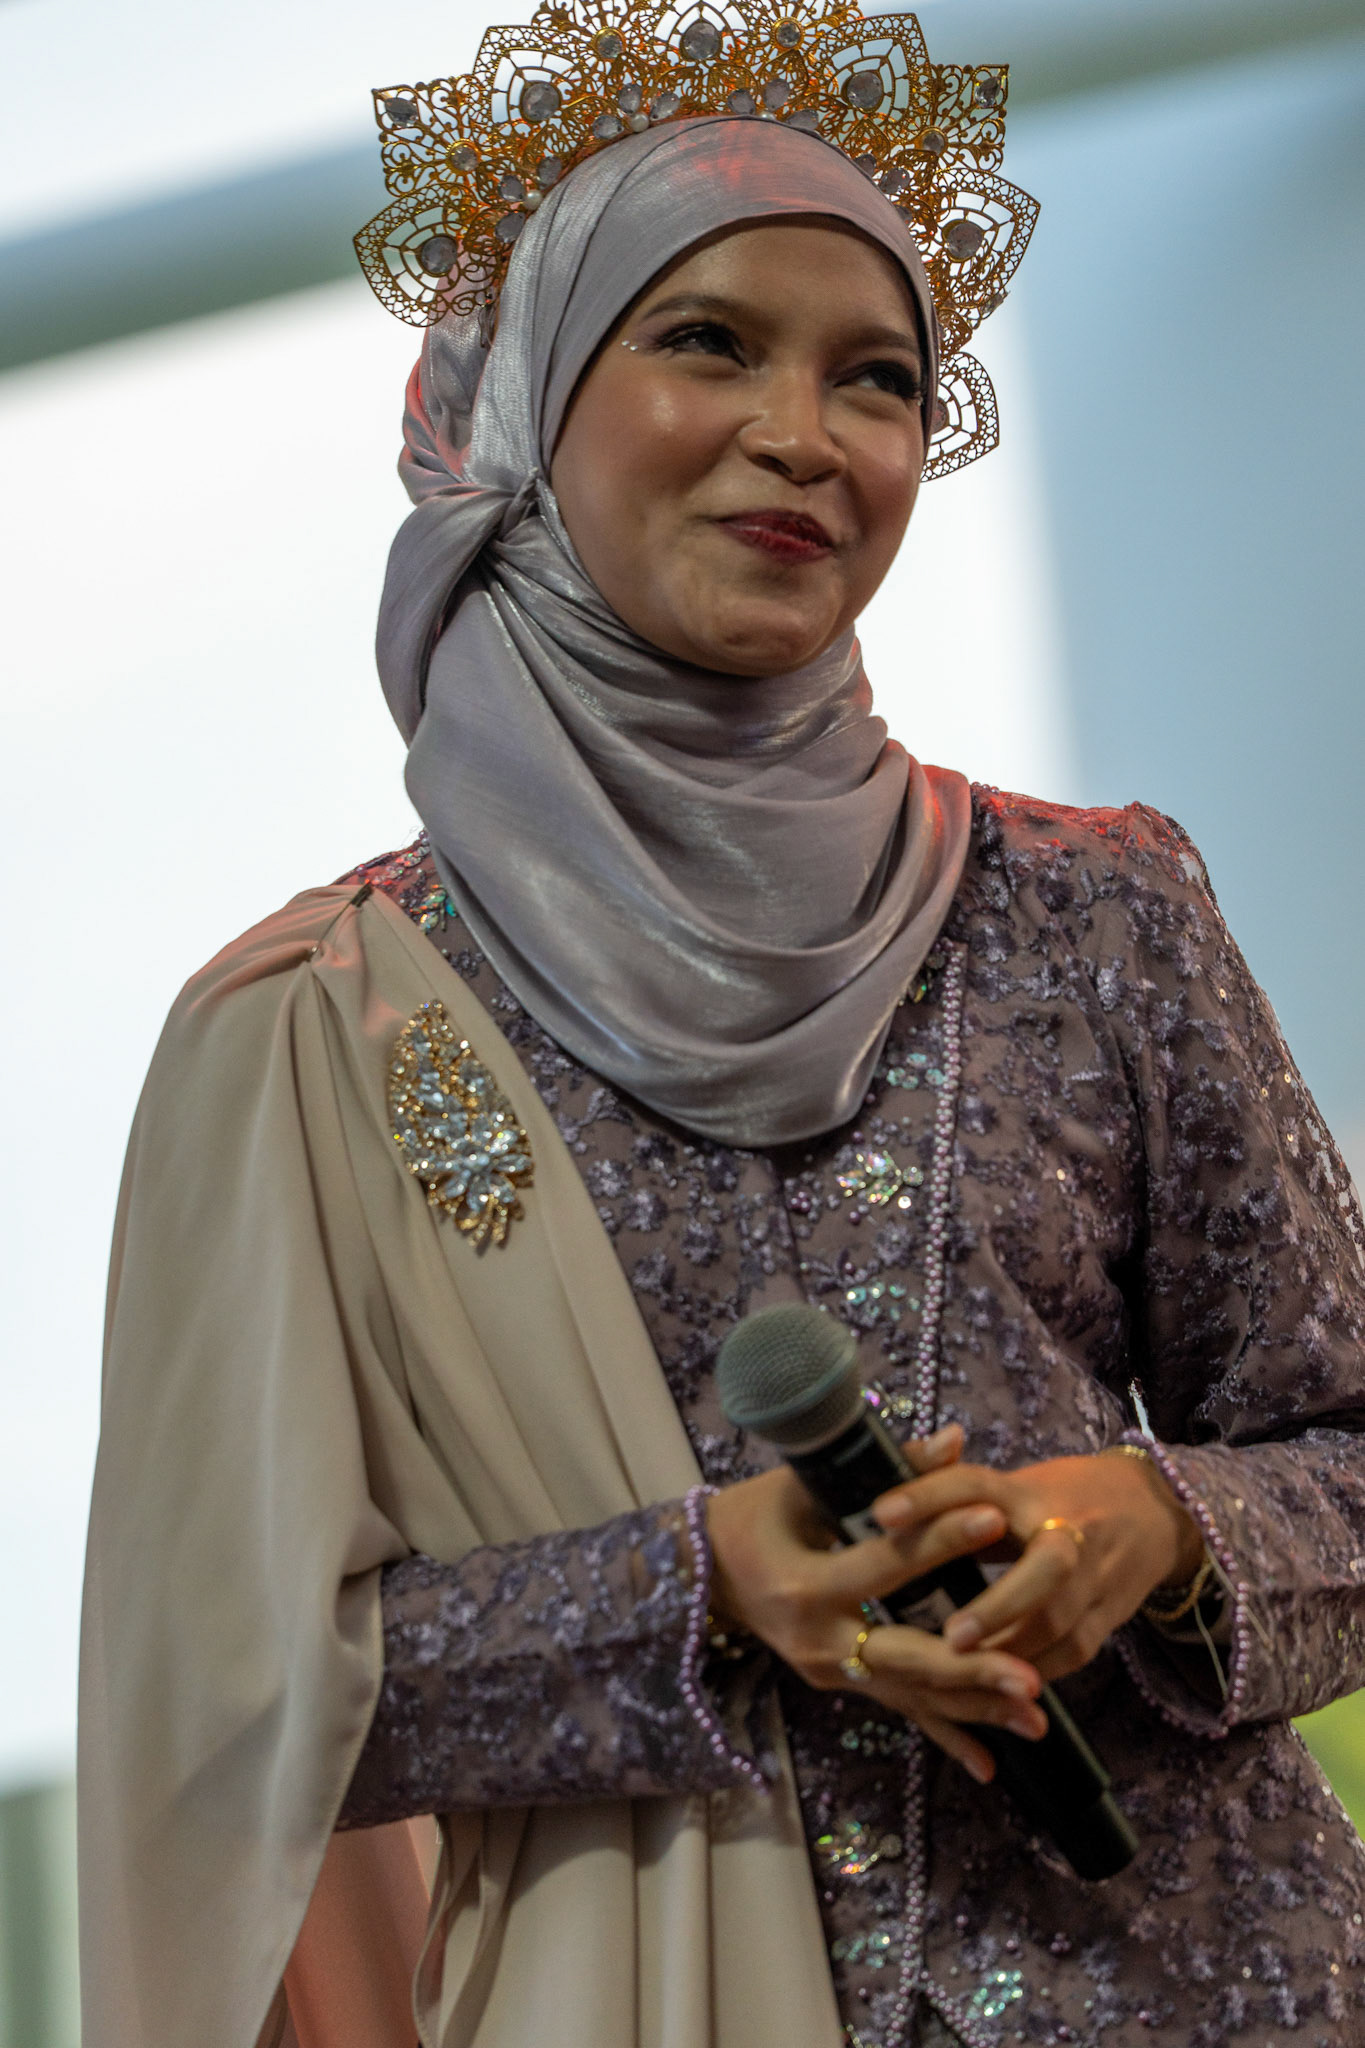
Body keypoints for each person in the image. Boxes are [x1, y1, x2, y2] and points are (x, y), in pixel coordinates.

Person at [78, 19, 1365, 2048]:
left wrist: (1151, 1526)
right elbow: (230, 1705)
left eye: (877, 379)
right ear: (511, 407)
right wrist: (703, 1589)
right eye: (706, 343)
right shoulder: (315, 1028)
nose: (803, 434)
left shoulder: (1096, 905)